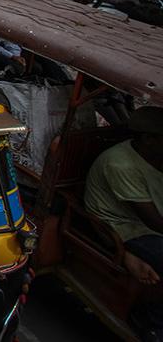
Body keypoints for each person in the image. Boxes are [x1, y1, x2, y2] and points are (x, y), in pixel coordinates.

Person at [85, 106, 163, 341]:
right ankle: (153, 323)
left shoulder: (154, 155)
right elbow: (154, 221)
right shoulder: (121, 164)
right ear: (148, 139)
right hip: (125, 228)